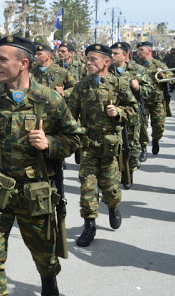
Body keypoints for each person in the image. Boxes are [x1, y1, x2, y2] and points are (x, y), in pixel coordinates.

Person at [0, 35, 83, 296]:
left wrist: (50, 143)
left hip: (34, 193)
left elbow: (77, 137)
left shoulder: (48, 99)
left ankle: (49, 284)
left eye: (2, 59)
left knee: (45, 256)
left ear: (23, 63)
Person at [68, 44, 137, 248]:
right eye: (87, 59)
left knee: (110, 187)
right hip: (88, 145)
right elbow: (70, 114)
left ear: (106, 62)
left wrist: (119, 113)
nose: (88, 63)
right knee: (87, 187)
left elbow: (133, 108)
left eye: (93, 60)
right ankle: (89, 225)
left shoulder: (119, 85)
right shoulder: (82, 86)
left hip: (110, 146)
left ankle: (113, 206)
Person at [109, 42, 153, 185]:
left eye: (116, 53)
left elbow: (150, 91)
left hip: (132, 114)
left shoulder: (137, 70)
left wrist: (139, 87)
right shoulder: (107, 70)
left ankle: (130, 171)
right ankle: (114, 176)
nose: (112, 56)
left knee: (133, 147)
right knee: (112, 145)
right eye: (111, 53)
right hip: (112, 114)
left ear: (125, 55)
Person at [136, 41, 173, 155]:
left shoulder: (159, 64)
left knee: (159, 125)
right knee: (142, 125)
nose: (138, 52)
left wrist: (162, 75)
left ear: (149, 51)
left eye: (141, 50)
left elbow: (171, 79)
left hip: (157, 101)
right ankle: (143, 148)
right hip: (142, 100)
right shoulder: (136, 65)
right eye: (138, 50)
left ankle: (156, 140)